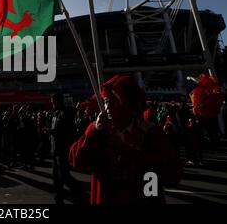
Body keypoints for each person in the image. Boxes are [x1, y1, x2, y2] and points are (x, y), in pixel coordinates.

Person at [69, 76, 182, 204]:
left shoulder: (150, 132)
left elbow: (172, 174)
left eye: (114, 102)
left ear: (130, 104)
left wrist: (126, 152)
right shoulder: (97, 130)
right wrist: (94, 133)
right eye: (106, 101)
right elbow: (76, 161)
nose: (107, 108)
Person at [50, 93, 86, 204]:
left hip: (62, 149)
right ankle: (58, 199)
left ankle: (81, 193)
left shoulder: (66, 113)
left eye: (53, 102)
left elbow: (66, 131)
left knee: (64, 175)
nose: (52, 104)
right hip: (55, 149)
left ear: (58, 101)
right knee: (56, 178)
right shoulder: (56, 113)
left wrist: (51, 131)